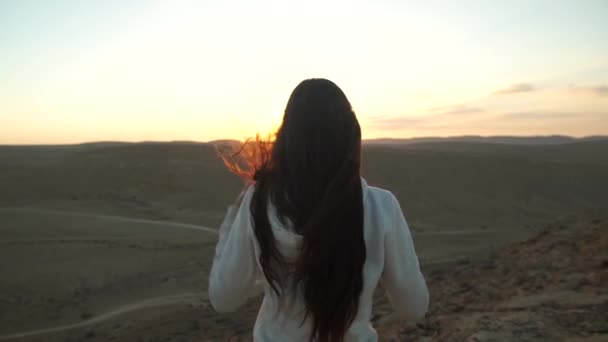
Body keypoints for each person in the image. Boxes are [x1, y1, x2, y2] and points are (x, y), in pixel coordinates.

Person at [208, 78, 429, 342]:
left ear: (286, 138)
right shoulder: (381, 207)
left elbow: (224, 298)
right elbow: (414, 307)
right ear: (350, 136)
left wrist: (228, 230)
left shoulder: (259, 200)